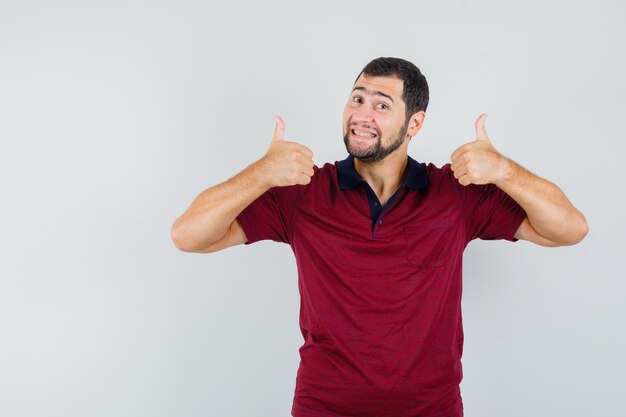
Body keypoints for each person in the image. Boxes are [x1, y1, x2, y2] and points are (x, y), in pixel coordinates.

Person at [171, 57, 588, 417]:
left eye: (382, 104)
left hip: (431, 408)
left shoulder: (454, 195)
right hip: (324, 406)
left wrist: (504, 171)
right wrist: (261, 172)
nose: (362, 114)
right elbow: (189, 236)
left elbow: (569, 229)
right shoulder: (304, 193)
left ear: (415, 123)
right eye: (357, 98)